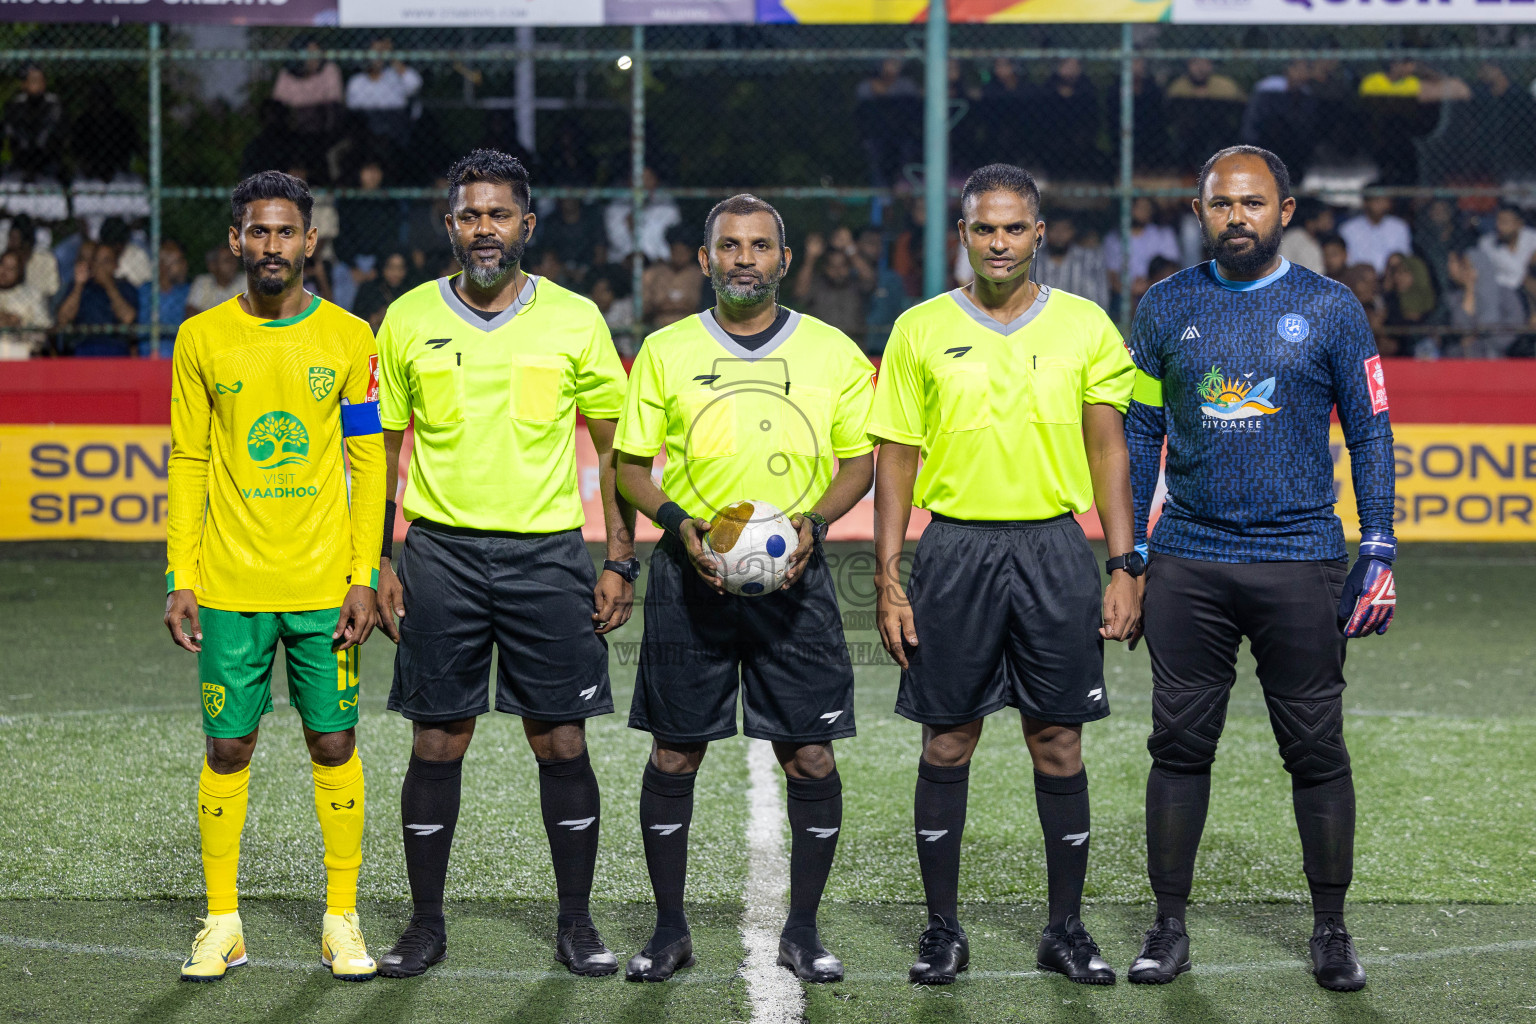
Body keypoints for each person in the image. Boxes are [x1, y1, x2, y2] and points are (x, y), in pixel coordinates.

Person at [1123, 145, 1396, 993]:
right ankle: (1168, 927)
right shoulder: (1163, 306)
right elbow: (1136, 434)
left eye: (1252, 202)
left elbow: (1372, 432)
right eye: (1219, 204)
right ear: (1198, 211)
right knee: (1178, 745)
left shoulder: (1331, 308)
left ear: (1285, 211)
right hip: (1190, 563)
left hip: (1301, 559)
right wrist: (1130, 553)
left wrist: (1379, 545)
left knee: (1315, 749)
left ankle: (1331, 929)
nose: (1235, 216)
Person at [870, 164, 1140, 987]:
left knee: (1057, 741)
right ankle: (941, 931)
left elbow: (1107, 450)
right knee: (948, 738)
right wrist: (888, 576)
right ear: (962, 236)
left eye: (1014, 228)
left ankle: (1065, 930)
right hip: (953, 552)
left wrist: (1124, 562)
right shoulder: (918, 328)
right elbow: (896, 460)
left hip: (1056, 550)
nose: (998, 242)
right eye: (984, 228)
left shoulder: (1086, 326)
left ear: (1039, 234)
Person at [371, 150, 635, 979]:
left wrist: (618, 557)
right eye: (468, 215)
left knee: (560, 740)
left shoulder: (576, 319)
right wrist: (380, 559)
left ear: (527, 222)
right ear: (449, 224)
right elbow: (379, 449)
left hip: (548, 554)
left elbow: (615, 445)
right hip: (440, 555)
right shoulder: (408, 318)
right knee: (438, 741)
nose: (483, 229)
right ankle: (423, 925)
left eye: (498, 215)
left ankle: (577, 924)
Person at [613, 193, 876, 984]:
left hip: (794, 577)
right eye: (729, 246)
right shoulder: (663, 350)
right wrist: (679, 520)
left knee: (812, 759)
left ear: (783, 260)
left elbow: (859, 462)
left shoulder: (831, 351)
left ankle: (802, 929)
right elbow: (628, 465)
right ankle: (668, 931)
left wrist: (812, 524)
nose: (744, 259)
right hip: (689, 577)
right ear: (704, 259)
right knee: (674, 755)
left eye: (760, 246)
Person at [164, 170, 385, 983]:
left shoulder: (350, 337)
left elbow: (368, 457)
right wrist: (178, 572)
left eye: (284, 231)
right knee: (229, 747)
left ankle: (342, 917)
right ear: (234, 241)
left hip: (326, 584)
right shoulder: (200, 338)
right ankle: (223, 921)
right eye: (256, 232)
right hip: (228, 585)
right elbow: (188, 459)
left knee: (334, 739)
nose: (270, 245)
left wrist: (365, 573)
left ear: (309, 241)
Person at [793, 227, 875, 343]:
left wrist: (850, 249)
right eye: (833, 267)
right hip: (821, 346)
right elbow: (800, 292)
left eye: (842, 266)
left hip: (854, 346)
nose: (838, 271)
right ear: (825, 268)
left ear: (850, 267)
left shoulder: (856, 285)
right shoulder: (817, 285)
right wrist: (810, 258)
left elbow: (870, 278)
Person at [56, 242, 138, 356]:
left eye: (106, 261)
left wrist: (108, 285)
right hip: (84, 346)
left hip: (116, 347)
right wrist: (78, 286)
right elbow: (63, 318)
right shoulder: (81, 286)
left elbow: (128, 317)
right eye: (96, 261)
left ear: (115, 265)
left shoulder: (124, 287)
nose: (100, 266)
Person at [1446, 247, 1525, 358]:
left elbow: (1515, 325)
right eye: (1464, 267)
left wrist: (1481, 339)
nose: (1466, 272)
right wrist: (1470, 291)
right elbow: (1460, 327)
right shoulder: (1456, 296)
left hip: (1499, 354)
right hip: (1464, 355)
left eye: (1470, 267)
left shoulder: (1506, 294)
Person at [345, 38, 421, 153]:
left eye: (381, 52)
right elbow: (352, 108)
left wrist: (392, 58)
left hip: (394, 129)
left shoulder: (395, 76)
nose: (378, 56)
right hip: (366, 129)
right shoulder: (357, 81)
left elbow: (415, 84)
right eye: (374, 52)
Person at [1105, 198, 1181, 308]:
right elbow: (1111, 276)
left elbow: (1172, 272)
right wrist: (1129, 289)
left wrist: (1148, 285)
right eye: (1139, 208)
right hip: (1125, 293)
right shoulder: (1114, 238)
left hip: (1157, 291)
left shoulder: (1163, 234)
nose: (1144, 212)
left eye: (1147, 208)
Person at [1034, 212, 1111, 312]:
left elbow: (1101, 301)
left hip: (1080, 322)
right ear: (1045, 232)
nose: (1059, 235)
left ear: (1073, 232)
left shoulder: (1090, 260)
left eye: (1065, 229)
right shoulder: (1033, 261)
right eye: (1054, 229)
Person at [2, 66, 63, 182]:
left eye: (40, 80)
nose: (37, 84)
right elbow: (10, 127)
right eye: (32, 81)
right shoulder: (17, 103)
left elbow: (52, 127)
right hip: (21, 158)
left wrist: (38, 143)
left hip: (46, 160)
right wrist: (23, 142)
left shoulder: (52, 103)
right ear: (24, 84)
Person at [642, 225, 707, 328]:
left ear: (691, 252)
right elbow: (643, 308)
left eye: (683, 252)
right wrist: (660, 307)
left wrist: (685, 306)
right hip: (657, 326)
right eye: (675, 251)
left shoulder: (701, 275)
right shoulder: (652, 273)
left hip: (691, 327)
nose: (679, 256)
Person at [138, 239, 193, 355]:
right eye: (179, 261)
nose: (185, 266)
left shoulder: (188, 291)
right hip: (148, 354)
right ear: (164, 266)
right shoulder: (145, 291)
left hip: (181, 353)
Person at [1338, 196, 1411, 277]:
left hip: (1391, 278)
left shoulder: (1399, 226)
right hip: (1359, 278)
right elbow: (1347, 261)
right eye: (1376, 199)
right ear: (1366, 203)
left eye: (1383, 200)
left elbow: (1404, 256)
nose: (1379, 204)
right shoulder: (1348, 228)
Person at [0, 248, 51, 358]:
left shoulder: (33, 296)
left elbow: (43, 333)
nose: (4, 272)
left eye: (11, 269)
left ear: (19, 272)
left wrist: (19, 325)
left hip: (20, 355)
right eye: (2, 265)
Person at [1476, 205, 1536, 293]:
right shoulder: (1487, 244)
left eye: (1505, 222)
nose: (1499, 227)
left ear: (1519, 224)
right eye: (1498, 221)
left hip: (1528, 286)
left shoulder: (1532, 237)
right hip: (1500, 290)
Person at [188, 245, 244, 315]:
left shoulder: (247, 282)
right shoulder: (202, 282)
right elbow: (191, 311)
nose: (233, 264)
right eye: (227, 260)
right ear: (213, 266)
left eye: (234, 259)